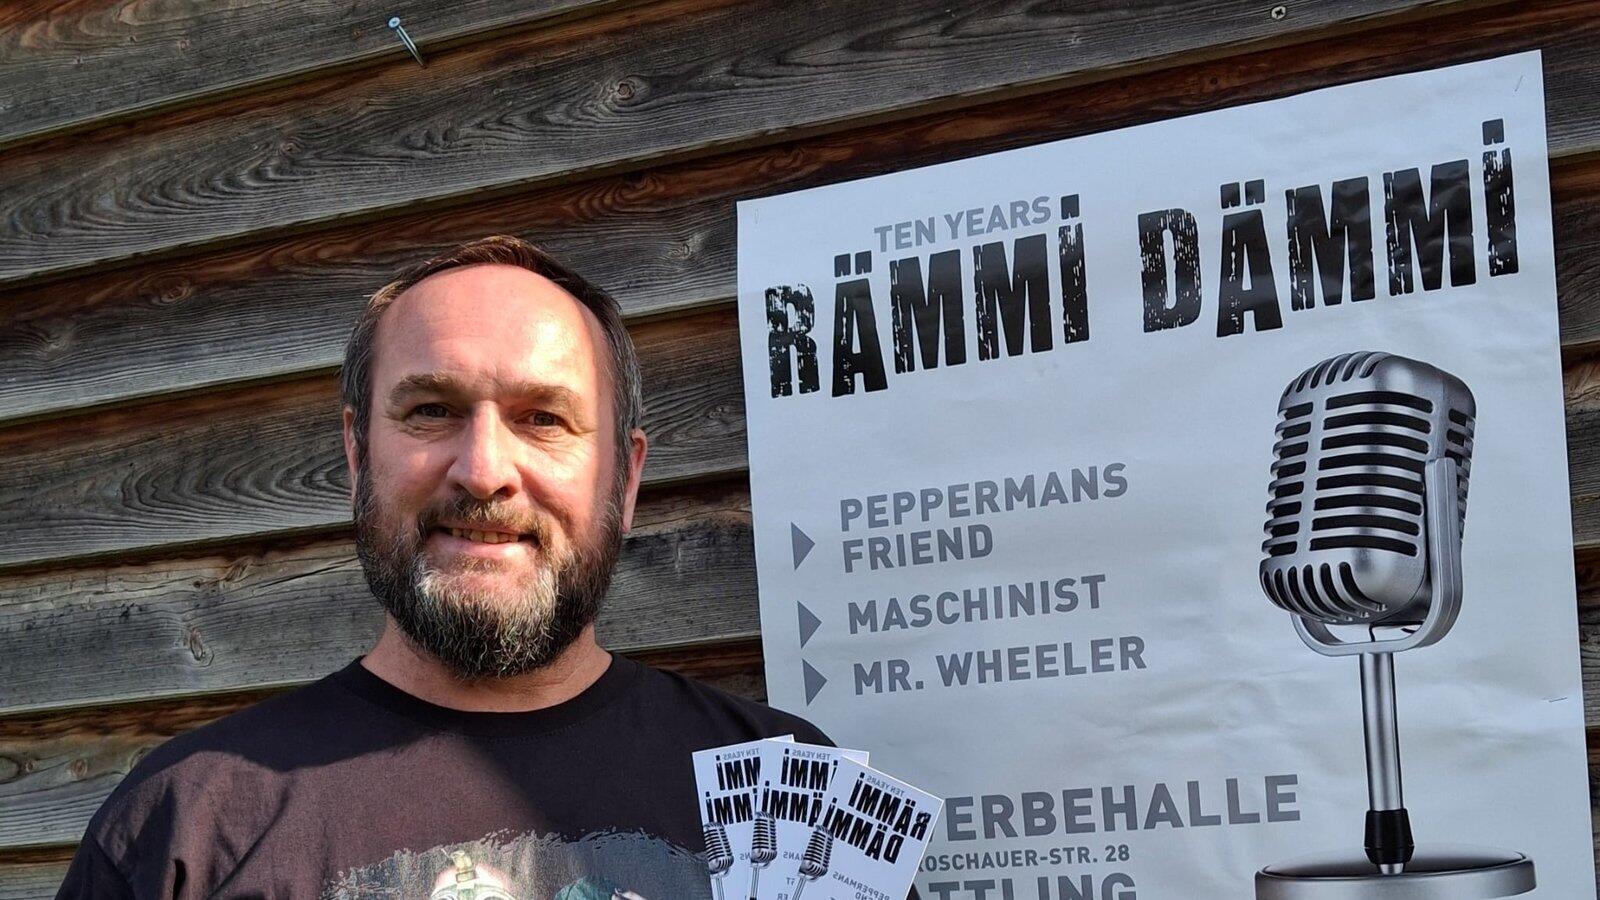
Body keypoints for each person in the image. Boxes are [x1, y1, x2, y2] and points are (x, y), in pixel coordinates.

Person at [56, 235, 840, 899]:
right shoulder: (181, 827)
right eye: (431, 410)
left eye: (544, 418)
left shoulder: (792, 806)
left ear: (625, 480)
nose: (484, 471)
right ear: (358, 456)